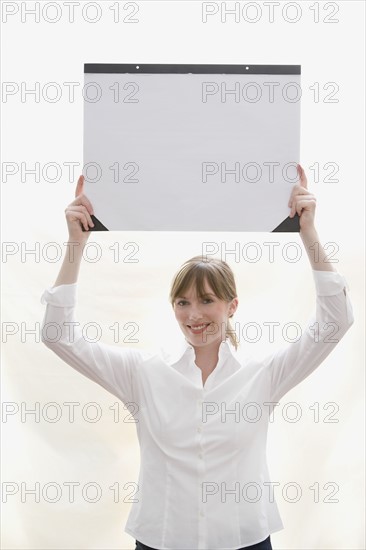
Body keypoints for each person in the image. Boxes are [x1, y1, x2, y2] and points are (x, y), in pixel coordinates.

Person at [40, 165, 354, 550]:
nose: (194, 315)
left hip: (245, 540)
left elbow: (335, 321)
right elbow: (58, 334)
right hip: (162, 540)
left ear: (232, 305)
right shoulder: (143, 374)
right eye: (183, 303)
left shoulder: (263, 374)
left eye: (207, 301)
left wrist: (308, 233)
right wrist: (76, 243)